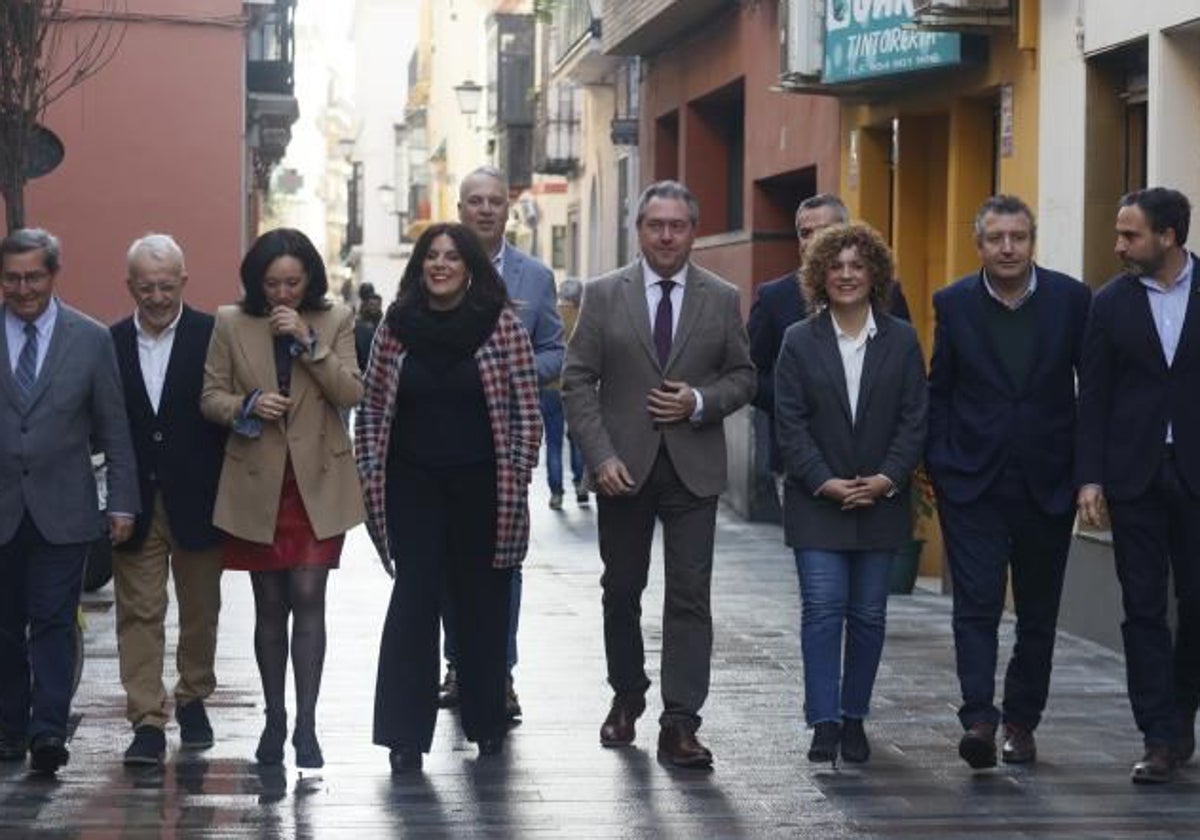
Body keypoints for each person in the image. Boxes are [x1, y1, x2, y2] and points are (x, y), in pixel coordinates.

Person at [562, 180, 755, 768]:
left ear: (693, 231)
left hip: (693, 471)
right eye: (656, 225)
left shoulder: (720, 297)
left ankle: (680, 722)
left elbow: (745, 377)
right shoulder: (602, 295)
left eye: (678, 225)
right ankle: (627, 695)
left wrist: (699, 400)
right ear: (639, 230)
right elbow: (576, 380)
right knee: (621, 590)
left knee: (690, 595)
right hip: (624, 471)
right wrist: (601, 457)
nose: (667, 235)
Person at [355, 222, 541, 773]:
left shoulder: (499, 325)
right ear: (420, 266)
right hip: (412, 486)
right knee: (413, 604)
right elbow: (371, 408)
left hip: (484, 486)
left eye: (451, 257)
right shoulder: (397, 327)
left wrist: (520, 465)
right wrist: (370, 469)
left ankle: (487, 726)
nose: (440, 265)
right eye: (431, 256)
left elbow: (527, 408)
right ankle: (403, 737)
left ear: (468, 268)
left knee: (482, 604)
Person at [927, 195, 1091, 770]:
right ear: (979, 244)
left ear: (1032, 240)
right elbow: (939, 389)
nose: (1007, 248)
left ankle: (1021, 721)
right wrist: (941, 465)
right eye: (996, 237)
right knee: (975, 607)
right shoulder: (953, 303)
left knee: (1038, 613)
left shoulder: (1072, 299)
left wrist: (1086, 474)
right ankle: (979, 718)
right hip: (973, 483)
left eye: (1018, 237)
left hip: (1048, 482)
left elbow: (1088, 391)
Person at [201, 227, 365, 769]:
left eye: (293, 283)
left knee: (309, 594)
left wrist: (309, 344)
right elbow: (210, 397)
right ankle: (274, 717)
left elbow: (352, 391)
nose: (282, 295)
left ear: (309, 280)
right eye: (272, 284)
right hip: (258, 482)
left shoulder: (336, 318)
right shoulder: (230, 321)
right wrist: (246, 404)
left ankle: (308, 724)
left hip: (317, 480)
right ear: (256, 282)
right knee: (270, 604)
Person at [774, 223, 927, 765]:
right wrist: (824, 480)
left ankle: (855, 715)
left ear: (875, 275)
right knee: (822, 609)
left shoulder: (903, 340)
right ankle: (824, 720)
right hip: (819, 501)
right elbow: (789, 424)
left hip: (881, 500)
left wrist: (888, 478)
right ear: (819, 275)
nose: (845, 275)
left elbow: (915, 419)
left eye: (856, 266)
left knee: (868, 615)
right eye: (835, 266)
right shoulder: (798, 340)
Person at [0, 228, 139, 775]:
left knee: (55, 620)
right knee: (5, 625)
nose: (23, 287)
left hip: (65, 508)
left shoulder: (90, 338)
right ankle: (10, 726)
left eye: (34, 276)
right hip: (3, 507)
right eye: (12, 277)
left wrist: (122, 502)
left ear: (53, 275)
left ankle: (48, 731)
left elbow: (114, 426)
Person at [1077, 187, 1200, 784]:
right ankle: (1158, 735)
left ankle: (1182, 715)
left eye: (1131, 235)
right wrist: (1091, 478)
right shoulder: (1109, 303)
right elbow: (1093, 396)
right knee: (1143, 607)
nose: (1119, 244)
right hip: (1135, 477)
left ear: (1169, 236)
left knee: (1197, 606)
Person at [440, 166, 564, 718]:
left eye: (495, 200)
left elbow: (557, 353)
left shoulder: (535, 278)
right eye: (475, 201)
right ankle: (458, 666)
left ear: (508, 208)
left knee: (503, 561)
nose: (486, 209)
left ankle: (499, 674)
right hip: (444, 441)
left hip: (508, 442)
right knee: (447, 560)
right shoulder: (437, 268)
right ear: (460, 207)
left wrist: (505, 371)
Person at [110, 234, 227, 766]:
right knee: (139, 611)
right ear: (130, 285)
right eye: (146, 286)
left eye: (165, 285)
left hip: (200, 495)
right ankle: (147, 721)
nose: (156, 296)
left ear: (184, 281)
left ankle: (193, 695)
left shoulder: (213, 334)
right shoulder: (107, 342)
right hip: (134, 498)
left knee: (200, 610)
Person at [748, 194, 911, 481]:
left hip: (876, 462)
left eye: (824, 231)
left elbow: (906, 376)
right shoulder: (774, 298)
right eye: (804, 233)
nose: (812, 240)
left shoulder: (888, 294)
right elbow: (748, 374)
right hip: (798, 462)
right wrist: (798, 402)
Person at [556, 277, 587, 506]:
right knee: (577, 436)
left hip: (550, 386)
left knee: (553, 443)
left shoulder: (553, 315)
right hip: (577, 385)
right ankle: (580, 484)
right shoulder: (585, 315)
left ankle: (556, 492)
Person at [354, 285, 383, 374]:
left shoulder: (383, 323)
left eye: (376, 305)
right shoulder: (359, 323)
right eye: (371, 305)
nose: (373, 307)